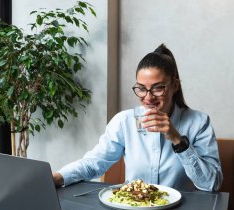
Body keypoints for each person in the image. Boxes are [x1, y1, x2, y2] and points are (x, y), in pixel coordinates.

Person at [53, 44, 223, 192]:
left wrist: (178, 140)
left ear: (175, 86)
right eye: (141, 88)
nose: (148, 97)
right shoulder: (124, 121)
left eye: (158, 88)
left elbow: (211, 184)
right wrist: (58, 177)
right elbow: (93, 163)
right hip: (134, 208)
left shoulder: (199, 123)